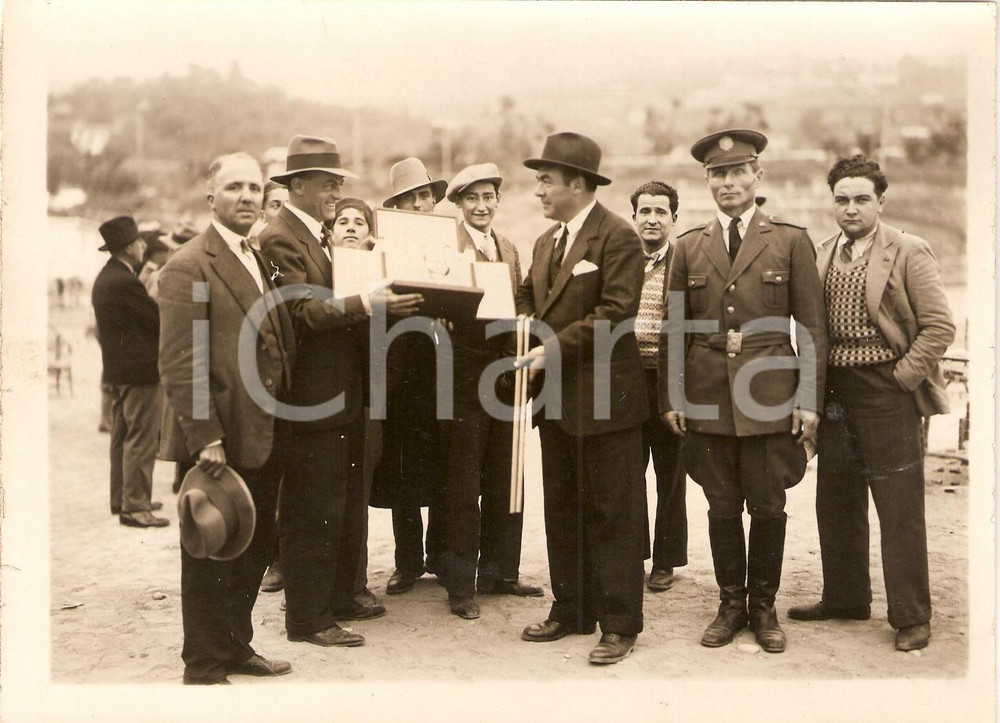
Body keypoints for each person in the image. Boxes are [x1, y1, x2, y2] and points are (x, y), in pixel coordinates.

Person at [660, 129, 827, 654]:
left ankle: (764, 606)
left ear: (758, 177)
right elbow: (674, 329)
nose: (728, 183)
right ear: (707, 182)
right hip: (708, 398)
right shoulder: (689, 246)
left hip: (771, 395)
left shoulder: (791, 240)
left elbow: (812, 330)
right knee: (721, 504)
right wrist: (672, 397)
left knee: (769, 505)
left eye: (737, 173)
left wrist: (808, 400)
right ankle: (730, 603)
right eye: (717, 174)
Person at [788, 155, 955, 652]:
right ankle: (845, 598)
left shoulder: (908, 250)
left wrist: (901, 378)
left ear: (881, 201)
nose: (851, 208)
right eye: (842, 199)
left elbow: (939, 327)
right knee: (835, 498)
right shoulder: (820, 253)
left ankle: (910, 615)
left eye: (862, 199)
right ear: (832, 203)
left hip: (888, 391)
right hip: (835, 390)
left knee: (898, 505)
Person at [260, 135, 421, 647]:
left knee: (339, 500)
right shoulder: (282, 236)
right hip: (312, 398)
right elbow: (303, 312)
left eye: (338, 183)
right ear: (298, 185)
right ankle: (308, 619)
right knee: (312, 507)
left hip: (337, 394)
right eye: (328, 183)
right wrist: (366, 302)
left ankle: (336, 598)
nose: (335, 191)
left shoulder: (314, 234)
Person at [158, 152, 296, 684]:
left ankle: (237, 646)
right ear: (209, 197)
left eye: (254, 188)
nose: (247, 197)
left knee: (253, 545)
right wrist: (206, 437)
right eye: (234, 187)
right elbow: (179, 359)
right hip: (220, 436)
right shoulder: (189, 264)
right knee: (211, 550)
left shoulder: (256, 256)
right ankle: (204, 665)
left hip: (264, 427)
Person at [514, 132, 648, 665]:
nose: (539, 191)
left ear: (578, 182)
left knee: (612, 512)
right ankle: (571, 609)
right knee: (563, 508)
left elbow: (617, 312)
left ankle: (619, 624)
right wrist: (524, 318)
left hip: (606, 402)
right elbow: (530, 292)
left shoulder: (618, 237)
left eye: (546, 180)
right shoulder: (548, 241)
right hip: (557, 402)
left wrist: (549, 346)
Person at [434, 163, 543, 620]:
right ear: (458, 205)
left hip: (505, 369)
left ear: (498, 202)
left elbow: (520, 300)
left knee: (507, 472)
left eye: (488, 198)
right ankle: (461, 585)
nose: (481, 206)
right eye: (472, 199)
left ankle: (500, 571)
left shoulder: (509, 247)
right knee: (462, 479)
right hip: (460, 372)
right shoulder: (447, 246)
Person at [373, 156, 450, 595]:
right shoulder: (382, 247)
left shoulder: (450, 243)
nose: (420, 203)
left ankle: (441, 555)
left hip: (442, 364)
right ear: (397, 205)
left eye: (424, 195)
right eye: (410, 198)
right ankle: (408, 561)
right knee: (401, 467)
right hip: (400, 367)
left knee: (443, 462)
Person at [629, 181, 688, 592]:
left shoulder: (684, 262)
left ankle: (665, 561)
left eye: (660, 212)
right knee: (627, 473)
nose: (652, 219)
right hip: (627, 382)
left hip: (669, 381)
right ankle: (631, 554)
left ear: (673, 219)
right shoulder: (621, 260)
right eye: (644, 211)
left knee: (670, 474)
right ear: (634, 217)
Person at [91, 215, 168, 528]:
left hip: (119, 372)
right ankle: (135, 507)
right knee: (140, 437)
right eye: (139, 242)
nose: (143, 247)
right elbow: (155, 319)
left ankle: (121, 498)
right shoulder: (125, 281)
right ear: (127, 248)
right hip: (139, 373)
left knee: (122, 435)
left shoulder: (108, 276)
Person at [383, 156, 447, 212]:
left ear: (433, 203)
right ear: (397, 205)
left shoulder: (446, 225)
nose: (417, 204)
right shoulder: (387, 226)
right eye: (407, 197)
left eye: (424, 196)